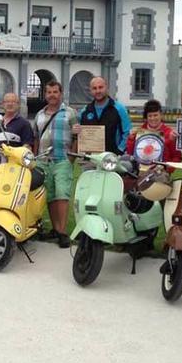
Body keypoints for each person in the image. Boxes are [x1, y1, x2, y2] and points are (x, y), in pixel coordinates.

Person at [33, 81, 79, 248]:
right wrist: (36, 157)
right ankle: (55, 228)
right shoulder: (39, 115)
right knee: (50, 196)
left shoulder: (70, 113)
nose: (52, 95)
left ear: (61, 94)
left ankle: (62, 231)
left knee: (62, 194)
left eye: (55, 92)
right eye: (49, 92)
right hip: (43, 160)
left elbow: (77, 137)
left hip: (62, 160)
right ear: (45, 95)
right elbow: (36, 138)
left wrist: (71, 159)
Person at [78, 76, 132, 155]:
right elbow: (79, 132)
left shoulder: (119, 109)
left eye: (100, 87)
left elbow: (127, 132)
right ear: (90, 91)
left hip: (113, 158)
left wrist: (120, 150)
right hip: (91, 158)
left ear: (106, 88)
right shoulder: (85, 111)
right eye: (94, 88)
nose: (98, 91)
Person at [126, 99, 181, 170]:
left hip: (161, 172)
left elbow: (177, 157)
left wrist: (167, 169)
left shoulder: (169, 133)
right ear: (146, 117)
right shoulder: (139, 132)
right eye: (150, 116)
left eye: (155, 115)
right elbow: (130, 154)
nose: (153, 118)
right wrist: (131, 139)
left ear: (161, 115)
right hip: (139, 171)